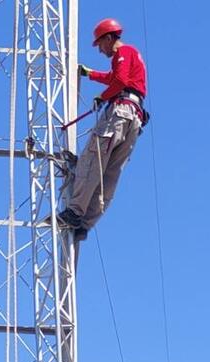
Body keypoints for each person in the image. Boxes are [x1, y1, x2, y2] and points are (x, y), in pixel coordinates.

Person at [56, 18, 147, 241]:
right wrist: (90, 74)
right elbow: (116, 78)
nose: (100, 50)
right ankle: (85, 225)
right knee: (110, 173)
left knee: (92, 159)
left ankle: (75, 211)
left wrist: (103, 96)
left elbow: (120, 80)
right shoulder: (129, 57)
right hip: (133, 119)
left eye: (100, 44)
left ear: (109, 38)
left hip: (120, 113)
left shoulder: (124, 52)